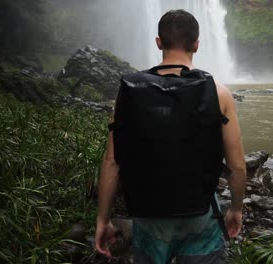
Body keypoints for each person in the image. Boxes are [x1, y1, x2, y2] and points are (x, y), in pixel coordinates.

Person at [95, 9, 246, 264]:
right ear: (197, 45)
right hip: (200, 213)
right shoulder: (219, 93)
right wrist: (236, 208)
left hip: (148, 213)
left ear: (158, 42)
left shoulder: (130, 92)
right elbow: (237, 166)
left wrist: (103, 219)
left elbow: (112, 162)